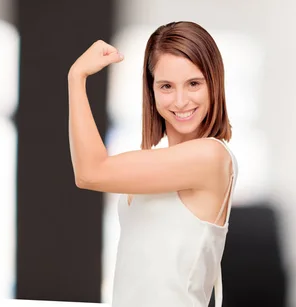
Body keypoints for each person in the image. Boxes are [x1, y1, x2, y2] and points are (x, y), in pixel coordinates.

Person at [67, 21, 238, 307]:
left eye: (194, 83)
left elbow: (90, 172)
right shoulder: (155, 162)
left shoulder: (211, 157)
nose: (181, 101)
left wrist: (76, 77)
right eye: (167, 86)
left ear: (214, 83)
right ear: (152, 91)